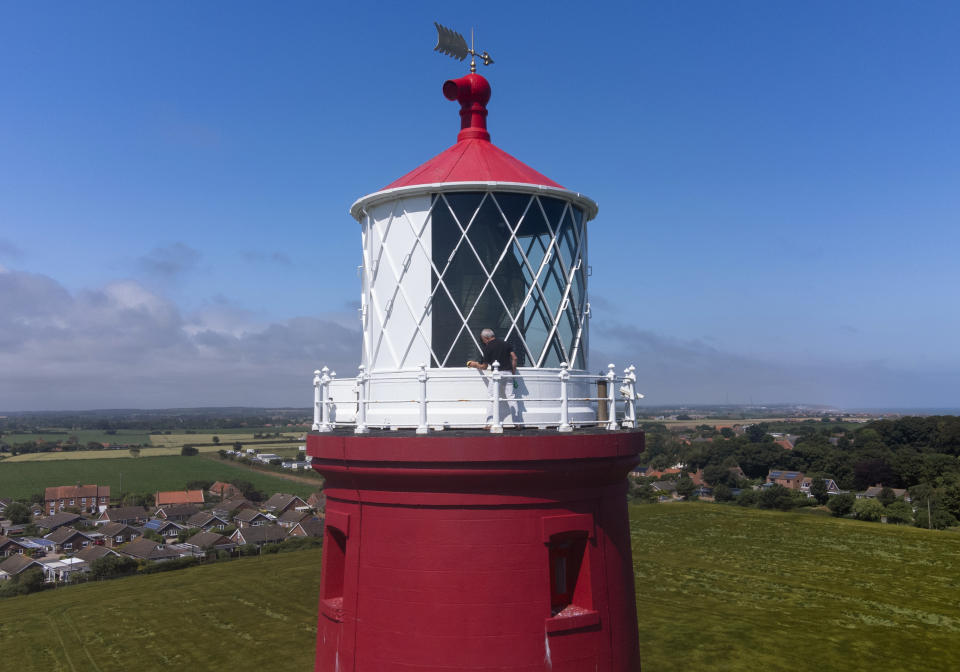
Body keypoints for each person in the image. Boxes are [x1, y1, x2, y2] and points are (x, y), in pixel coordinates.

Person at [467, 328, 520, 425]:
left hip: (497, 374)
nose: (482, 341)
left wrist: (474, 364)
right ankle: (517, 423)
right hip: (508, 373)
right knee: (511, 397)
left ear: (485, 338)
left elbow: (484, 366)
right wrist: (513, 372)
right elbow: (515, 358)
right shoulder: (505, 344)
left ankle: (490, 423)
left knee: (491, 397)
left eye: (482, 339)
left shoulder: (488, 347)